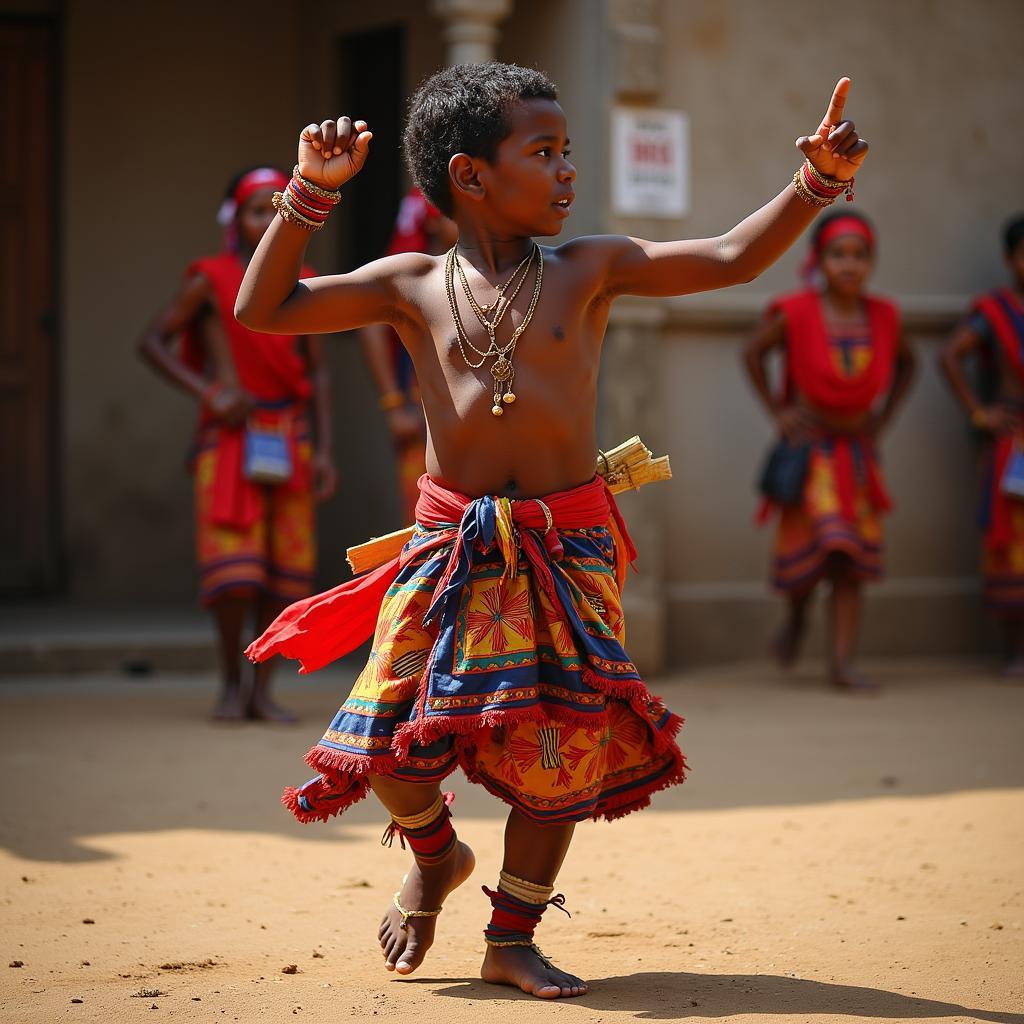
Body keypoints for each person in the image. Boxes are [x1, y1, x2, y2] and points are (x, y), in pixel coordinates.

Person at [236, 63, 869, 998]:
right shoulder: (410, 283)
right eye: (545, 152)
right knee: (377, 740)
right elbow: (265, 309)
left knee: (560, 749)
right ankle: (437, 855)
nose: (569, 170)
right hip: (450, 551)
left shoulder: (590, 267)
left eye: (568, 151)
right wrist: (306, 197)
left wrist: (813, 182)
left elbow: (733, 257)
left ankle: (512, 934)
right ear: (471, 176)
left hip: (569, 548)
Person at [138, 167, 338, 722]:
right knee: (235, 576)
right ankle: (229, 685)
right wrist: (211, 391)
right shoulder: (210, 277)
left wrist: (325, 450)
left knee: (286, 574)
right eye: (257, 210)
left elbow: (318, 373)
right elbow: (153, 341)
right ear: (235, 219)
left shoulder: (307, 280)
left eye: (277, 208)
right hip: (227, 441)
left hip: (290, 437)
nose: (269, 220)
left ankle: (261, 690)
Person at [744, 211, 915, 691]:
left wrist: (882, 421)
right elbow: (752, 352)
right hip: (811, 458)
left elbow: (910, 364)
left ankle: (841, 663)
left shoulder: (885, 316)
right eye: (839, 255)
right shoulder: (795, 312)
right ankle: (798, 619)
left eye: (860, 256)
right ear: (819, 260)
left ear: (871, 263)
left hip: (857, 459)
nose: (849, 266)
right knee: (810, 560)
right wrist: (778, 413)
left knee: (847, 557)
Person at [940, 214, 1024, 676]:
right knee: (1010, 545)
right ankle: (1015, 651)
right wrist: (980, 411)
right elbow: (950, 354)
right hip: (1014, 443)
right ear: (1011, 259)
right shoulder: (994, 310)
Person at [360, 188, 457, 523]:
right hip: (420, 413)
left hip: (477, 416)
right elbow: (371, 326)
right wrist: (394, 406)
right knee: (428, 518)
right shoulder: (413, 277)